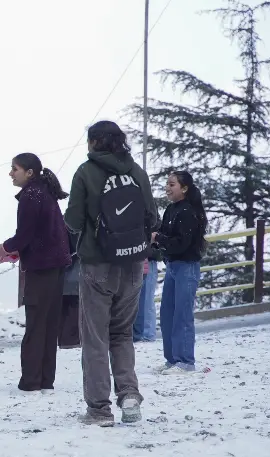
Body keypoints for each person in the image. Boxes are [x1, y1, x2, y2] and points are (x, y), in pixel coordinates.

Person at [63, 121, 159, 426]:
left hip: (98, 264)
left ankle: (99, 410)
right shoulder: (136, 172)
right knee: (122, 333)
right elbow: (153, 218)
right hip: (133, 265)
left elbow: (74, 221)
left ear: (93, 143)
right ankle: (129, 395)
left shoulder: (85, 172)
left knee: (95, 338)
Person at [0, 153, 72, 392]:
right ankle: (45, 379)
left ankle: (31, 381)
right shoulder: (44, 193)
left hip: (42, 267)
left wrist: (7, 247)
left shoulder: (31, 195)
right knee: (49, 324)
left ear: (29, 172)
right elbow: (42, 233)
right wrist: (17, 251)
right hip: (56, 265)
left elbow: (25, 233)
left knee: (36, 324)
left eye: (14, 169)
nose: (10, 173)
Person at [154, 170, 207, 374]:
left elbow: (181, 243)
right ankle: (172, 359)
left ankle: (185, 361)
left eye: (172, 184)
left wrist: (159, 239)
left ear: (184, 188)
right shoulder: (170, 209)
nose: (167, 187)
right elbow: (166, 237)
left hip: (187, 267)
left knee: (182, 314)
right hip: (172, 266)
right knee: (167, 313)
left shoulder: (188, 212)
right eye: (167, 184)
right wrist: (157, 239)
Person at [60, 229, 82, 349]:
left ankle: (65, 340)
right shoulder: (75, 229)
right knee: (74, 308)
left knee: (66, 309)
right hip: (75, 273)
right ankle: (71, 340)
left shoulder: (62, 225)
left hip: (63, 275)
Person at [133, 257, 158, 342]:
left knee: (147, 302)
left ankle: (148, 335)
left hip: (147, 263)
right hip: (134, 264)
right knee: (135, 303)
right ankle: (138, 334)